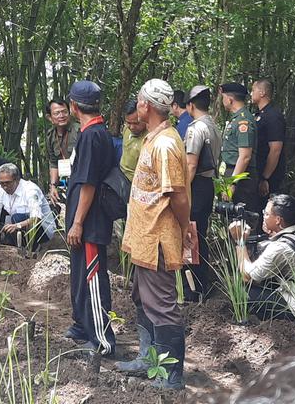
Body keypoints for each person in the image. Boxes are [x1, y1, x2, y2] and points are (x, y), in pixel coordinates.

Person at [117, 79, 190, 390]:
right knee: (142, 297)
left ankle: (171, 375)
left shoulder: (166, 144)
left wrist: (185, 229)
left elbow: (179, 196)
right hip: (143, 237)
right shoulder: (151, 138)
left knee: (161, 302)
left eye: (139, 100)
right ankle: (149, 359)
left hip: (158, 237)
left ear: (146, 105)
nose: (137, 104)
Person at [62, 80, 121, 361]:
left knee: (93, 279)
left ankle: (103, 341)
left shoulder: (92, 135)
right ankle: (84, 327)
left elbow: (89, 184)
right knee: (80, 278)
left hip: (90, 224)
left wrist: (77, 222)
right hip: (86, 223)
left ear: (74, 107)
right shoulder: (95, 132)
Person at [228, 194, 295, 331]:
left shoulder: (279, 248)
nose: (263, 216)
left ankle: (276, 329)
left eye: (266, 214)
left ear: (277, 220)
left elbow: (247, 276)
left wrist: (240, 241)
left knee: (244, 292)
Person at [182, 84, 220, 299]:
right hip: (208, 185)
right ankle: (200, 283)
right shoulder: (213, 125)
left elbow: (191, 164)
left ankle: (194, 287)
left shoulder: (196, 128)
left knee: (191, 235)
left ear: (190, 105)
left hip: (196, 186)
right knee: (201, 234)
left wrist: (183, 192)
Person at [0, 163, 56, 250]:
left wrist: (18, 225)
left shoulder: (30, 190)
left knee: (17, 218)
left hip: (42, 230)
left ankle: (32, 247)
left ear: (17, 179)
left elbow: (37, 218)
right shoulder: (1, 189)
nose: (5, 187)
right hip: (16, 225)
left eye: (8, 183)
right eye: (2, 183)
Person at [220, 82, 260, 214]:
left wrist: (233, 183)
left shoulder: (244, 121)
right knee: (230, 220)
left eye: (223, 97)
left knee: (242, 221)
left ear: (230, 99)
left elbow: (245, 156)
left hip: (242, 180)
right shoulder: (235, 119)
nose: (223, 101)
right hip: (232, 173)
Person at [252, 79, 287, 197]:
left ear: (262, 93)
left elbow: (275, 149)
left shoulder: (273, 116)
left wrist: (265, 177)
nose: (251, 93)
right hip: (256, 172)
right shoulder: (259, 115)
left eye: (253, 90)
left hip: (268, 177)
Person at [44, 98, 78, 207]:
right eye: (57, 113)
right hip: (64, 182)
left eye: (64, 112)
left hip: (79, 181)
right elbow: (53, 162)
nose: (61, 115)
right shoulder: (50, 136)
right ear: (50, 117)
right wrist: (53, 186)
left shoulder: (79, 131)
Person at [120, 98, 146, 184]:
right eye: (128, 123)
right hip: (120, 177)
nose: (132, 127)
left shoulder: (150, 138)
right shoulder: (126, 130)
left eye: (136, 123)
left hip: (137, 182)